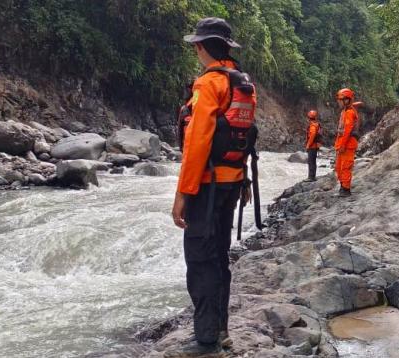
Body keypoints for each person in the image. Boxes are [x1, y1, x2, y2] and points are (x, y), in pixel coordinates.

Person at [170, 17, 256, 357]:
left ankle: (206, 342)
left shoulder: (209, 84)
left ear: (201, 47)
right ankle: (221, 330)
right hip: (232, 184)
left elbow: (198, 141)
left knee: (201, 261)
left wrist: (182, 193)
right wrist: (245, 178)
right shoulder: (243, 83)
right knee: (219, 256)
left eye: (196, 46)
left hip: (206, 187)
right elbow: (245, 135)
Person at [334, 88, 359, 197]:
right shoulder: (345, 111)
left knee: (345, 167)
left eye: (340, 100)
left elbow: (347, 131)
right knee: (339, 167)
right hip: (343, 144)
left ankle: (345, 189)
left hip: (348, 145)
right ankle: (342, 187)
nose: (339, 102)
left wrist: (343, 145)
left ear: (347, 100)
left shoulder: (349, 113)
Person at [304, 110, 321, 182]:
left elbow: (312, 135)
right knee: (313, 161)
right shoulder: (316, 124)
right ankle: (313, 176)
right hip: (315, 145)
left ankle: (311, 177)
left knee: (311, 162)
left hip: (312, 146)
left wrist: (308, 145)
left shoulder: (313, 126)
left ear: (309, 117)